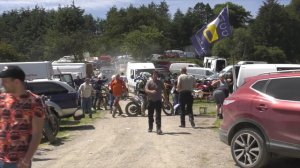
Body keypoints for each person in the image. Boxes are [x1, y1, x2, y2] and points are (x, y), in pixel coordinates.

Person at [0, 65, 45, 168]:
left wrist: (27, 159)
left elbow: (37, 133)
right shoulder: (2, 98)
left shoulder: (34, 101)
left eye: (5, 81)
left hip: (18, 161)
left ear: (16, 82)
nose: (2, 84)